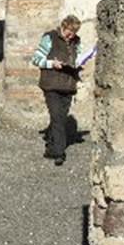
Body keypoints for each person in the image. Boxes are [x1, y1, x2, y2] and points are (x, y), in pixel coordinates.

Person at [31, 15, 82, 166]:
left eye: (74, 33)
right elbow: (36, 59)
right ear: (63, 27)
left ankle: (51, 148)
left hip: (68, 85)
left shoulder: (76, 41)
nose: (71, 36)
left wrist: (78, 64)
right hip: (51, 84)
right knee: (57, 117)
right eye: (69, 32)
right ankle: (60, 153)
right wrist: (51, 63)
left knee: (59, 118)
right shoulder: (49, 37)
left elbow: (78, 57)